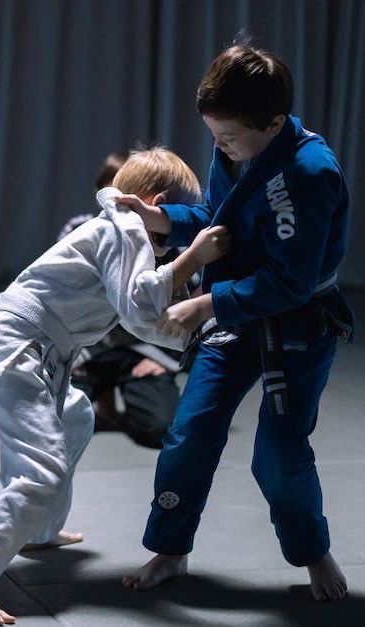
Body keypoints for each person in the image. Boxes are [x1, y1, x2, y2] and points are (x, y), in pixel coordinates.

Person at [0, 147, 230, 624]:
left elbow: (145, 321)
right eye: (178, 222)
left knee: (76, 417)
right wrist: (193, 257)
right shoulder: (124, 227)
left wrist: (198, 330)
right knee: (41, 469)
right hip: (15, 350)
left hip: (44, 354)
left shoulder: (124, 232)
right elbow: (138, 307)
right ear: (155, 205)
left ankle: (40, 527)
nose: (181, 235)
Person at [119, 44, 354, 602]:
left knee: (279, 450)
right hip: (235, 315)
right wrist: (163, 218)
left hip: (296, 319)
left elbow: (292, 281)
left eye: (226, 136)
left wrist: (205, 304)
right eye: (214, 134)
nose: (218, 145)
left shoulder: (311, 171)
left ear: (274, 123)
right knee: (188, 432)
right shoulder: (235, 147)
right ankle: (171, 550)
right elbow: (219, 221)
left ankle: (311, 551)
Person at [60, 151, 199, 449]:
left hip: (144, 350)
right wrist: (68, 355)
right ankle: (101, 396)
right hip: (92, 349)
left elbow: (193, 309)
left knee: (161, 428)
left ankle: (128, 395)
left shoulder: (170, 239)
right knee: (51, 422)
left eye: (133, 202)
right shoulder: (81, 231)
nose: (124, 211)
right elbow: (67, 303)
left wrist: (167, 362)